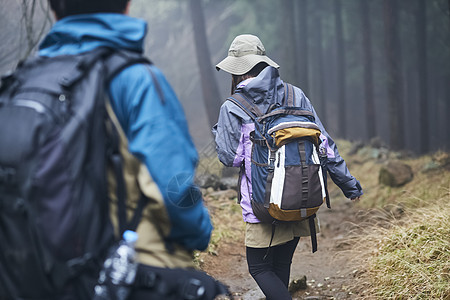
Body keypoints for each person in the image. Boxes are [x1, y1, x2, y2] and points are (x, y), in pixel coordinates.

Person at [41, 0, 226, 299]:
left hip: (46, 273)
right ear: (126, 7)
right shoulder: (136, 80)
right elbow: (175, 189)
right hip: (133, 274)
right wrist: (200, 232)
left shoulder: (26, 83)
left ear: (54, 11)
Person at [213, 34, 363, 300]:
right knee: (281, 265)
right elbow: (324, 145)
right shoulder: (296, 94)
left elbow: (230, 158)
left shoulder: (233, 106)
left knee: (259, 267)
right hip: (300, 197)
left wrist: (219, 132)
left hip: (263, 204)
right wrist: (348, 184)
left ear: (236, 71)